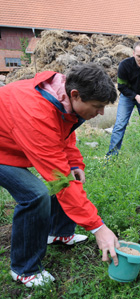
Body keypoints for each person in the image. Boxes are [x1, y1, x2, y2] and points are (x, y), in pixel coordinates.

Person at [0, 63, 121, 287]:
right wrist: (98, 227)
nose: (102, 112)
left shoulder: (63, 97)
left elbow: (65, 132)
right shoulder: (37, 114)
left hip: (14, 137)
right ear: (75, 95)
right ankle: (24, 269)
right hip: (2, 149)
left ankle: (58, 233)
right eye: (98, 106)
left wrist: (75, 162)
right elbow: (58, 177)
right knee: (35, 195)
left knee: (71, 176)